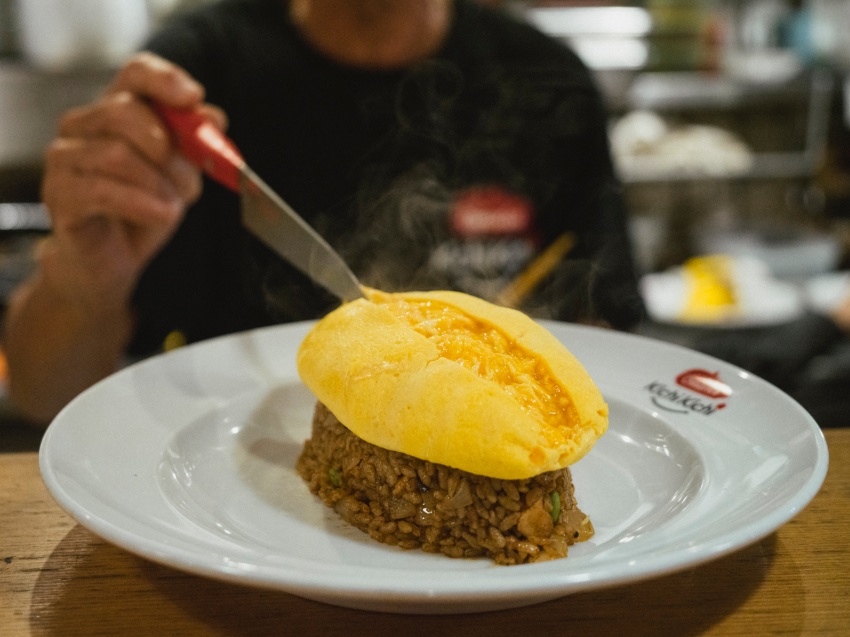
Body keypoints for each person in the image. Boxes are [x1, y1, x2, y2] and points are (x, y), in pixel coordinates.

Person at [2, 0, 644, 425]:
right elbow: (40, 395)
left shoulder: (544, 81)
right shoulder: (199, 79)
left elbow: (606, 337)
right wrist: (82, 277)